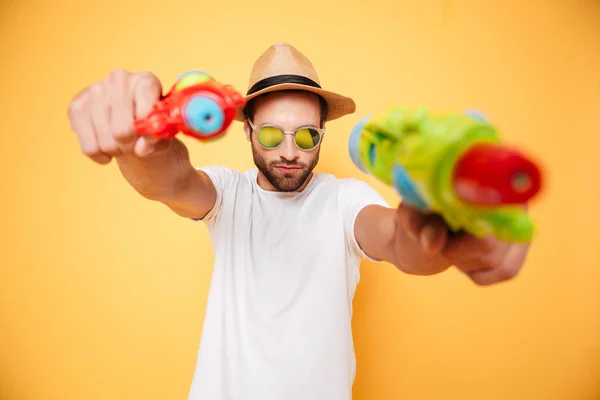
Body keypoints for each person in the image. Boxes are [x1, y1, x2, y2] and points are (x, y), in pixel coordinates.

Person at [67, 42, 532, 400]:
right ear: (247, 130)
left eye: (307, 136)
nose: (290, 152)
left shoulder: (344, 198)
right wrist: (134, 141)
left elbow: (396, 239)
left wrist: (449, 232)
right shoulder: (229, 194)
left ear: (322, 135)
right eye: (271, 134)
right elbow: (168, 181)